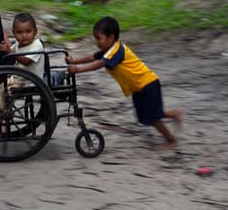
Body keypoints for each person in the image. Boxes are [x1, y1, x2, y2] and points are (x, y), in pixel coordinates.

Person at [67, 16, 181, 151]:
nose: (97, 42)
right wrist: (74, 61)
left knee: (153, 118)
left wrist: (78, 70)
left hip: (148, 84)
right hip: (138, 88)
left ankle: (171, 140)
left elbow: (100, 63)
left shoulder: (117, 51)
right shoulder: (107, 51)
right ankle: (173, 114)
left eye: (98, 38)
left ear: (111, 37)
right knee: (144, 117)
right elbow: (93, 57)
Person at [0, 13, 46, 141]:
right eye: (20, 32)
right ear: (14, 33)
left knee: (0, 96)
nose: (24, 35)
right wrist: (1, 32)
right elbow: (9, 48)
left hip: (28, 81)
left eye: (28, 31)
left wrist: (10, 51)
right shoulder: (18, 44)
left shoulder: (37, 45)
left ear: (35, 31)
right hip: (16, 79)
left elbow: (26, 61)